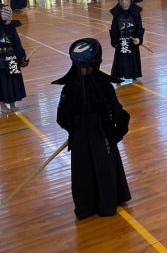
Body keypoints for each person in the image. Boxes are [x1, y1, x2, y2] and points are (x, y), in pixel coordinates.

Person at [54, 38, 131, 220]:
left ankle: (87, 208)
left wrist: (76, 130)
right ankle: (106, 206)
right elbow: (118, 114)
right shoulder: (101, 85)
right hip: (99, 135)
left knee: (85, 172)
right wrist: (114, 133)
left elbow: (61, 118)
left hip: (88, 137)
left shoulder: (70, 87)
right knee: (103, 171)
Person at [109, 0, 144, 83]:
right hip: (121, 40)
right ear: (119, 1)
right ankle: (118, 75)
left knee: (133, 58)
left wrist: (138, 38)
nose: (125, 3)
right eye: (122, 0)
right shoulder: (116, 13)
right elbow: (114, 28)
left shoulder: (136, 12)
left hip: (132, 41)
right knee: (120, 59)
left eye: (127, 0)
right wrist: (115, 41)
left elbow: (139, 26)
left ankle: (134, 75)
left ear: (130, 0)